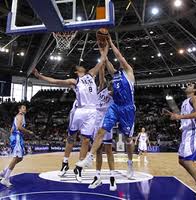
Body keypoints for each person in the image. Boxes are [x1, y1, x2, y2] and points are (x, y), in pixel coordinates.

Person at [32, 48, 108, 182]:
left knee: (85, 140)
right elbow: (55, 81)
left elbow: (102, 61)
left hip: (92, 111)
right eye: (79, 67)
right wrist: (39, 77)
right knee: (71, 137)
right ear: (76, 71)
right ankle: (65, 163)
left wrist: (105, 47)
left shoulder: (91, 74)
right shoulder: (74, 81)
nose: (81, 66)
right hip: (80, 110)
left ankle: (79, 167)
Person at [76, 35, 136, 179]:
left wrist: (110, 42)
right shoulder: (115, 74)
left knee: (128, 139)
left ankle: (129, 164)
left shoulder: (128, 71)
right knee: (101, 131)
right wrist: (102, 47)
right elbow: (105, 61)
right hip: (115, 107)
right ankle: (89, 158)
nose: (120, 61)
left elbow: (119, 56)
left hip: (127, 108)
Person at [88, 61, 116, 191]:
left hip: (107, 121)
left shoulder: (116, 95)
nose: (108, 84)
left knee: (108, 150)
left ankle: (112, 178)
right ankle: (97, 176)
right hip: (96, 122)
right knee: (98, 150)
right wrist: (102, 63)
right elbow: (101, 76)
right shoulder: (101, 89)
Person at [0, 104, 33, 187]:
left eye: (25, 108)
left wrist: (12, 138)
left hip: (17, 137)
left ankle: (4, 172)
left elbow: (12, 129)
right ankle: (5, 179)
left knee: (20, 158)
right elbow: (18, 127)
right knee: (16, 158)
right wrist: (28, 132)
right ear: (19, 109)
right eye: (23, 108)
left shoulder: (19, 116)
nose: (25, 109)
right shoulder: (20, 116)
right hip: (17, 137)